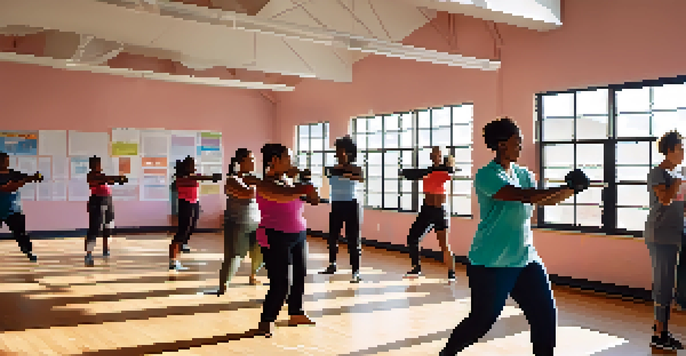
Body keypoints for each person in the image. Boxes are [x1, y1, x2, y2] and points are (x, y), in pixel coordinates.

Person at [441, 117, 590, 356]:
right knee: (481, 322)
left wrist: (571, 190)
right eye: (517, 142)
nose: (521, 146)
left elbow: (543, 198)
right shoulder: (486, 175)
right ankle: (447, 354)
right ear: (502, 145)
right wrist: (567, 188)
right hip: (491, 262)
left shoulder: (523, 174)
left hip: (525, 259)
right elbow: (524, 196)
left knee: (545, 316)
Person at [252, 143, 319, 338]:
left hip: (298, 234)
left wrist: (302, 180)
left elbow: (314, 199)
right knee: (281, 282)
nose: (292, 162)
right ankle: (267, 320)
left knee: (299, 276)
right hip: (274, 235)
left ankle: (296, 313)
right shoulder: (265, 184)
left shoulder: (289, 181)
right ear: (274, 161)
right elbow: (284, 196)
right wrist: (304, 184)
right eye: (288, 158)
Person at [644, 130, 685, 351]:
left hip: (675, 234)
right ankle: (659, 335)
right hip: (659, 234)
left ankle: (664, 331)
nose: (683, 153)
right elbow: (666, 199)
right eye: (679, 149)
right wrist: (680, 178)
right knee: (663, 284)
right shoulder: (658, 174)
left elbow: (681, 206)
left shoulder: (679, 176)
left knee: (670, 285)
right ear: (669, 151)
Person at [401, 146, 457, 281]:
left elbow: (451, 170)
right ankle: (416, 268)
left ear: (442, 157)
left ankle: (451, 274)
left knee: (444, 245)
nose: (435, 156)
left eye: (438, 154)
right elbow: (409, 174)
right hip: (426, 210)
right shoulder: (427, 171)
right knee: (412, 238)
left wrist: (440, 167)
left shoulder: (445, 172)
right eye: (433, 154)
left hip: (440, 211)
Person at [216, 148, 263, 294]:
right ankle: (223, 285)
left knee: (259, 254)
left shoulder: (255, 178)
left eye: (254, 159)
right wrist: (261, 185)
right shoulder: (232, 180)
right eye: (250, 160)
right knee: (234, 256)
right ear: (240, 162)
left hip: (256, 222)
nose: (254, 162)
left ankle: (253, 276)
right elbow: (249, 194)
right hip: (237, 223)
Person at [320, 135, 364, 283]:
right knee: (333, 237)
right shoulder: (332, 169)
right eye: (338, 150)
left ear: (349, 152)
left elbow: (360, 177)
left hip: (351, 205)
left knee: (353, 240)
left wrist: (346, 172)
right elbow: (326, 176)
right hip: (337, 205)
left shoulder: (355, 168)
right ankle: (332, 264)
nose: (339, 153)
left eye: (342, 150)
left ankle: (355, 272)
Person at [169, 156, 221, 271]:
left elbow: (199, 178)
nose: (195, 167)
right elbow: (200, 177)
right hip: (185, 204)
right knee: (182, 231)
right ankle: (173, 260)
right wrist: (211, 177)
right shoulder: (181, 177)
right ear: (187, 166)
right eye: (192, 165)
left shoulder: (194, 176)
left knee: (191, 227)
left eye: (195, 165)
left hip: (194, 203)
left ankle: (183, 244)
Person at [85, 156, 128, 267]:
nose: (99, 166)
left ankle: (106, 250)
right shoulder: (91, 175)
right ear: (92, 165)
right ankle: (89, 254)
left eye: (99, 164)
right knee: (94, 228)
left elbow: (110, 180)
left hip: (107, 201)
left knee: (108, 227)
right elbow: (104, 179)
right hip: (96, 202)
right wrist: (116, 178)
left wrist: (119, 180)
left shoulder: (103, 176)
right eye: (96, 164)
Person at [0, 152, 41, 262]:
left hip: (13, 209)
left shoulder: (13, 174)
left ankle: (28, 251)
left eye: (7, 160)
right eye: (4, 160)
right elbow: (6, 188)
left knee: (21, 233)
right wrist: (19, 183)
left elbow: (27, 178)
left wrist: (35, 177)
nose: (6, 163)